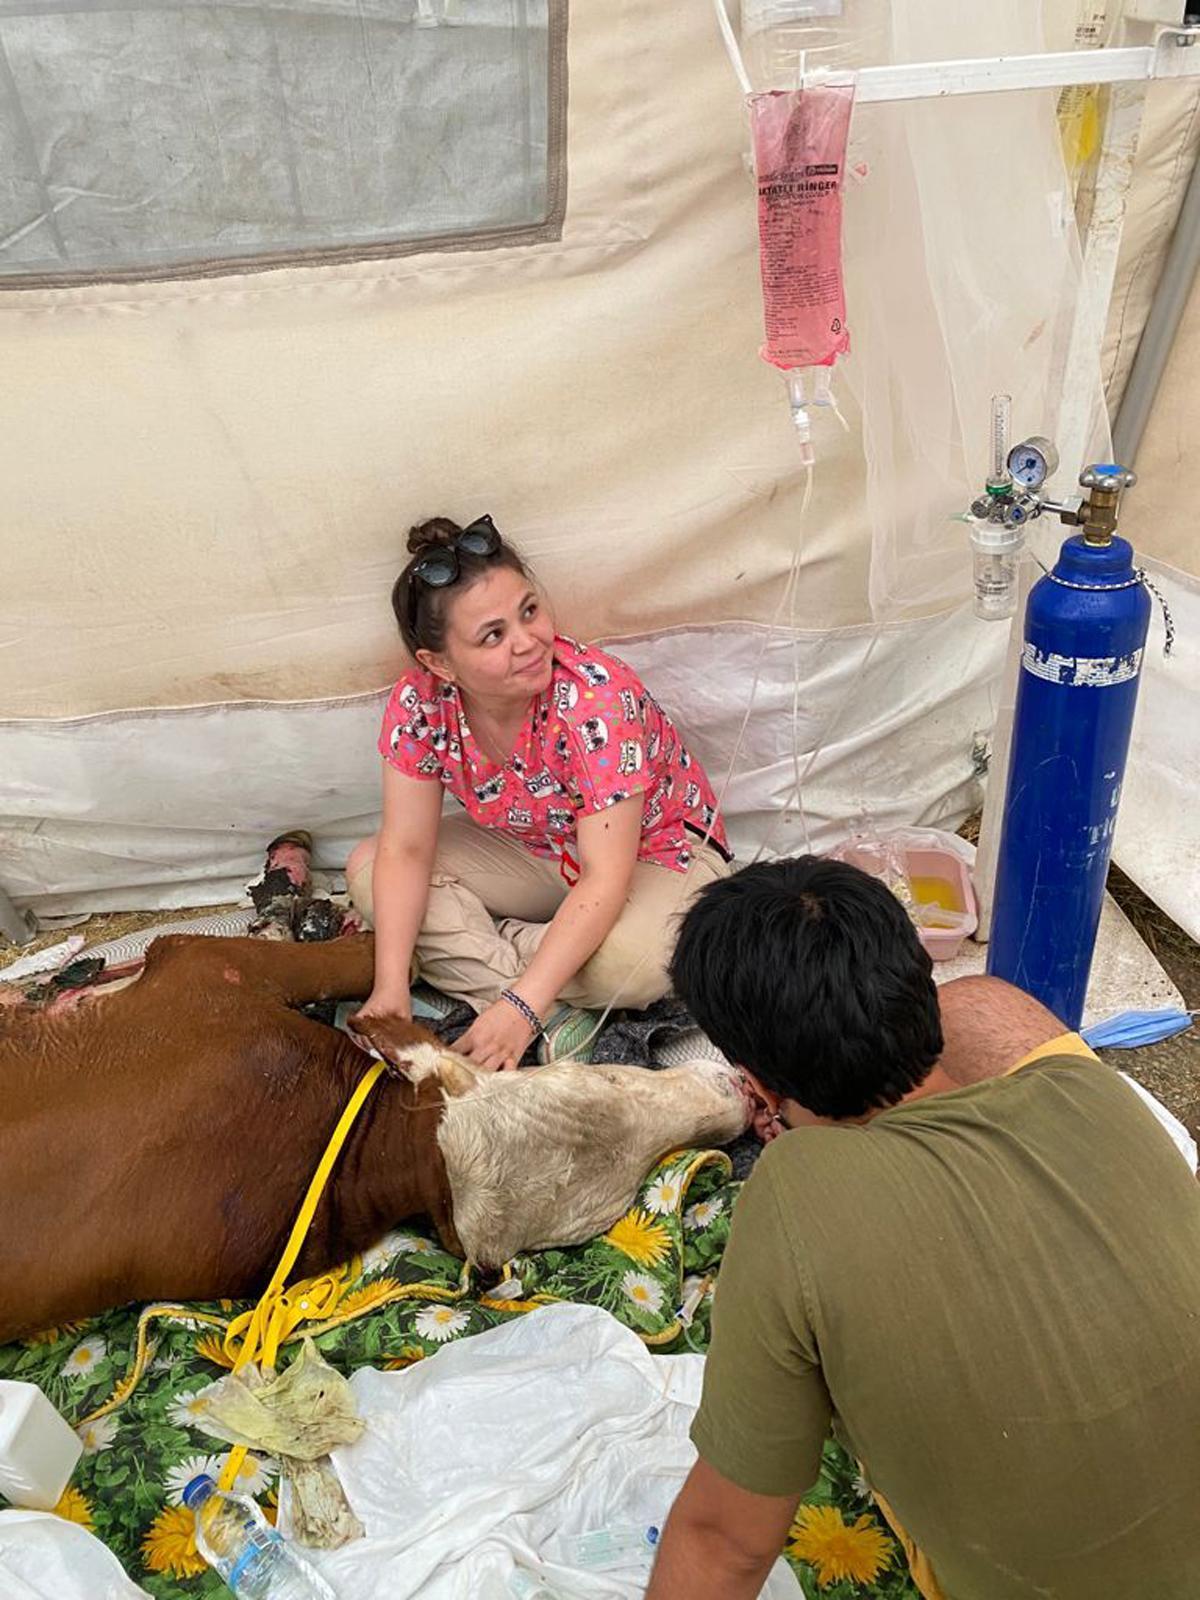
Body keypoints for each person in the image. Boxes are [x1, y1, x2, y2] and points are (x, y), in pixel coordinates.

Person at [646, 856, 1200, 1600]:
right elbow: (987, 1013)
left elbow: (724, 1544)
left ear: (758, 1086)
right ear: (917, 986)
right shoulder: (1087, 1090)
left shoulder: (793, 1192)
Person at [346, 515, 732, 1072]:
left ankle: (513, 977)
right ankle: (550, 991)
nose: (528, 642)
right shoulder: (419, 703)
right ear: (439, 664)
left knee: (635, 962)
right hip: (539, 849)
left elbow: (605, 875)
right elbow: (405, 848)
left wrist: (522, 1007)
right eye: (493, 635)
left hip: (658, 853)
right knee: (367, 870)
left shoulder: (595, 700)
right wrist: (389, 993)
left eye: (529, 611)